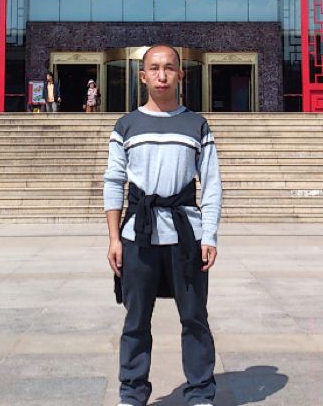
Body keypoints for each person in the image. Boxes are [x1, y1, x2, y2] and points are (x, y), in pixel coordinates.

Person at [103, 44, 223, 406]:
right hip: (137, 236)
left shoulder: (196, 125)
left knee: (194, 318)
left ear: (180, 75)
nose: (161, 75)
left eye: (169, 67)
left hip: (186, 236)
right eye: (154, 68)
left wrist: (209, 236)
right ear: (142, 76)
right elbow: (114, 183)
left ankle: (200, 392)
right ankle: (132, 393)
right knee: (136, 320)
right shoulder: (126, 125)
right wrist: (114, 239)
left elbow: (212, 184)